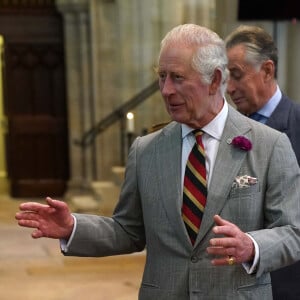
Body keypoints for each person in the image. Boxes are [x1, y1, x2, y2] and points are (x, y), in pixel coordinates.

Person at [15, 24, 300, 299]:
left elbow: (293, 232)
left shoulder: (269, 145)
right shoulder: (145, 150)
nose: (165, 90)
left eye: (177, 78)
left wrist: (252, 246)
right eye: (161, 76)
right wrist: (73, 227)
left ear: (214, 80)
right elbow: (128, 230)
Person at [225, 25, 300, 300]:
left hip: (286, 284)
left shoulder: (297, 125)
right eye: (225, 78)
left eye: (236, 75)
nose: (229, 88)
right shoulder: (223, 132)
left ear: (267, 70)